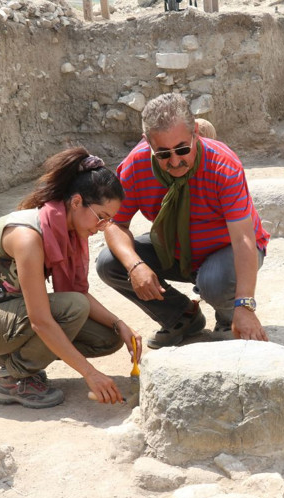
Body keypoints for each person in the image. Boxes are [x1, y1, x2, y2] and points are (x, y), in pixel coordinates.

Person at [0, 147, 141, 409]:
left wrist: (119, 324)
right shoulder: (28, 236)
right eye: (101, 218)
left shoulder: (67, 232)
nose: (101, 228)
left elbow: (77, 293)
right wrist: (90, 373)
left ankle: (19, 359)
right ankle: (13, 378)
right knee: (73, 308)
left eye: (107, 222)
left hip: (9, 313)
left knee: (107, 337)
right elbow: (41, 319)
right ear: (76, 202)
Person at [96, 93, 270, 349]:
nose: (175, 161)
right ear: (148, 142)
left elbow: (243, 237)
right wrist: (135, 266)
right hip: (175, 251)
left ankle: (229, 317)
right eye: (163, 154)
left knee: (214, 280)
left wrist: (245, 304)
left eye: (182, 149)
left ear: (196, 133)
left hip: (226, 253)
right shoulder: (136, 165)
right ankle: (181, 317)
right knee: (110, 263)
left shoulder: (223, 164)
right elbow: (115, 224)